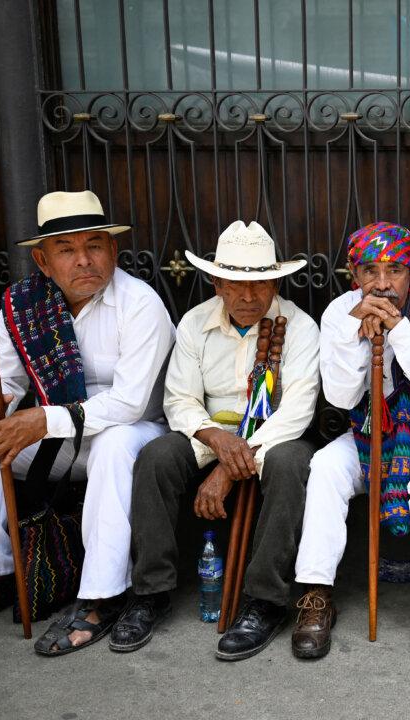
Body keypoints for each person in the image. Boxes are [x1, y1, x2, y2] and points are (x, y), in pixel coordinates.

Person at [0, 190, 175, 656]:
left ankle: (101, 596)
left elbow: (130, 403)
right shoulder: (23, 304)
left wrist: (43, 419)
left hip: (131, 432)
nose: (84, 260)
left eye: (95, 246)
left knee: (114, 444)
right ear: (44, 262)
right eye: (67, 250)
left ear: (113, 250)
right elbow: (1, 380)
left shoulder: (140, 303)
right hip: (55, 432)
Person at [112, 220, 320, 660]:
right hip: (211, 432)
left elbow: (297, 411)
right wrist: (216, 441)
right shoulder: (194, 323)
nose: (248, 297)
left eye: (260, 284)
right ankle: (151, 592)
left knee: (291, 465)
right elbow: (180, 400)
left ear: (276, 281)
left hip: (273, 436)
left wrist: (230, 466)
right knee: (156, 457)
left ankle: (265, 601)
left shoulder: (299, 327)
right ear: (216, 282)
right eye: (235, 284)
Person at [292, 222, 410, 658]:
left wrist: (399, 329)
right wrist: (356, 337)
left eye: (395, 270)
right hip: (367, 435)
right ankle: (315, 596)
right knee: (326, 467)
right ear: (355, 274)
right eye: (371, 271)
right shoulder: (338, 313)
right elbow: (341, 396)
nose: (383, 284)